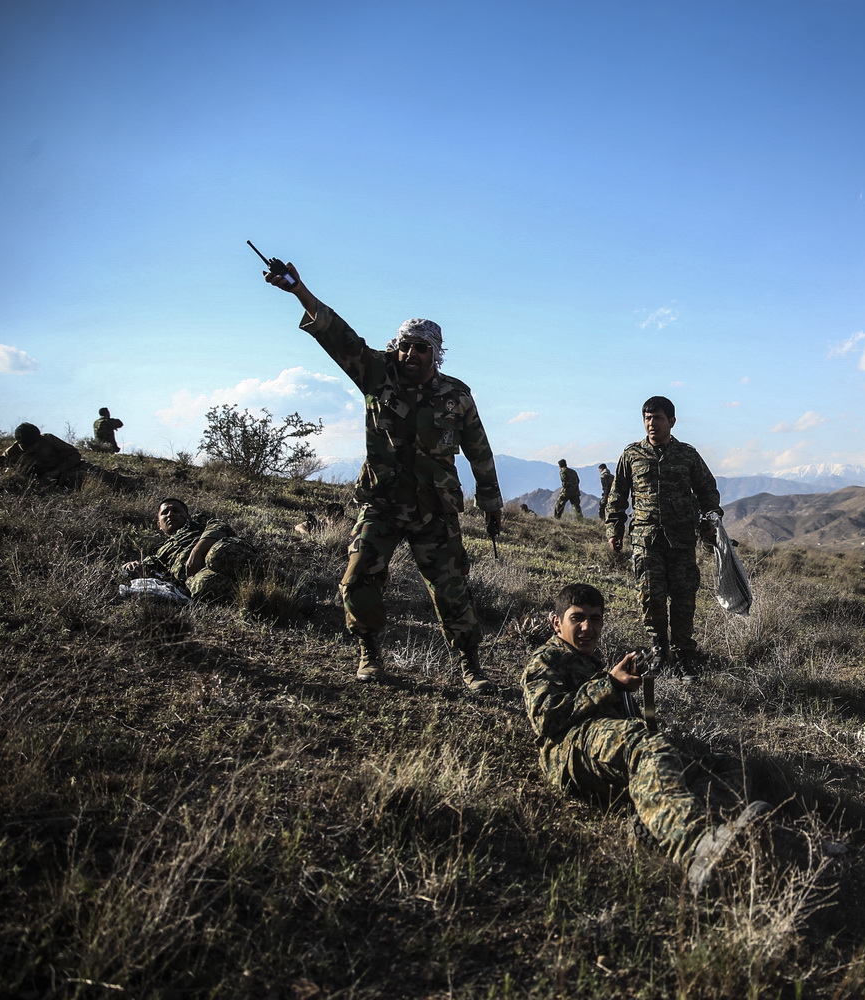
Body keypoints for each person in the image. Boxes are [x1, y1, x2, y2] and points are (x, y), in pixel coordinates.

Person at [263, 260, 503, 691]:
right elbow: (339, 335)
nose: (411, 354)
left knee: (452, 589)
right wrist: (299, 289)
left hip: (435, 508)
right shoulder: (377, 373)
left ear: (436, 353)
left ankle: (471, 667)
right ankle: (369, 653)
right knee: (358, 577)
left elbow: (478, 449)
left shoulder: (456, 395)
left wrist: (491, 503)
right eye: (406, 345)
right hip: (382, 502)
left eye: (421, 348)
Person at [520, 582, 768, 894]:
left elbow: (624, 721)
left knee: (725, 768)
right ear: (557, 623)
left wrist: (625, 688)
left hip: (606, 745)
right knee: (643, 743)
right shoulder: (545, 659)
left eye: (595, 619)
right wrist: (609, 684)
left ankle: (662, 827)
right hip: (570, 751)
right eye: (577, 618)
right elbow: (545, 719)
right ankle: (695, 846)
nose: (587, 627)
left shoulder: (590, 662)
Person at [604, 396, 722, 670]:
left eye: (657, 418)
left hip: (681, 539)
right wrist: (614, 529)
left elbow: (707, 489)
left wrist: (710, 519)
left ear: (671, 421)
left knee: (683, 598)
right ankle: (659, 651)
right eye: (647, 418)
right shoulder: (632, 454)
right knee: (650, 596)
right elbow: (618, 494)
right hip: (646, 539)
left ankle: (683, 654)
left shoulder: (687, 455)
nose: (651, 423)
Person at [122, 497, 255, 604]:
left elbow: (219, 525)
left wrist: (197, 552)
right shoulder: (159, 552)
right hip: (204, 573)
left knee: (216, 554)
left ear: (188, 516)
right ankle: (253, 593)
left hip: (226, 556)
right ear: (159, 525)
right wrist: (134, 566)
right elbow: (142, 568)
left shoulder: (198, 523)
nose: (170, 515)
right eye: (165, 513)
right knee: (201, 584)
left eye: (176, 511)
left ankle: (262, 576)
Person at [0, 423, 84, 489]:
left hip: (65, 471)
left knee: (93, 473)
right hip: (41, 483)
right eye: (26, 447)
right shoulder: (10, 453)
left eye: (33, 445)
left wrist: (58, 470)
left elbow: (74, 455)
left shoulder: (49, 440)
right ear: (18, 442)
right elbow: (0, 475)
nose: (30, 449)